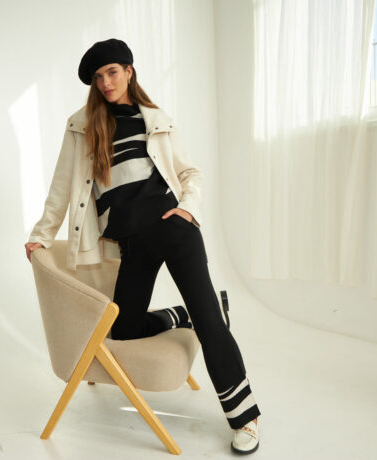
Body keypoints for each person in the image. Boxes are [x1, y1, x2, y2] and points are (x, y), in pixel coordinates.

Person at [25, 38, 261, 455]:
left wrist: (187, 209)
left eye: (112, 72)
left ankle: (245, 416)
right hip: (131, 244)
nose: (106, 82)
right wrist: (41, 235)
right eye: (98, 77)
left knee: (210, 322)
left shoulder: (155, 119)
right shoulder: (82, 126)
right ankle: (181, 315)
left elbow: (189, 173)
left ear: (129, 71)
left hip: (174, 231)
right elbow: (61, 188)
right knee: (124, 329)